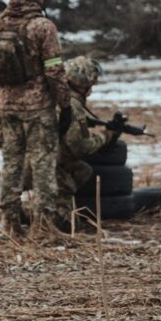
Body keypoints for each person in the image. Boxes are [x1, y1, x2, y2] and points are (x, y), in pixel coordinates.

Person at [0, 0, 71, 237]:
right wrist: (65, 104)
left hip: (5, 105)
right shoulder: (43, 27)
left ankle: (10, 223)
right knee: (43, 162)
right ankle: (42, 226)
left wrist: (0, 101)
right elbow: (54, 71)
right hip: (37, 108)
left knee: (11, 163)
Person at [55, 56, 117, 229]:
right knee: (68, 226)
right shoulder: (71, 105)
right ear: (82, 83)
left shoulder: (57, 96)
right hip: (50, 165)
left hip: (37, 160)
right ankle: (44, 211)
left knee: (83, 170)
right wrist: (104, 137)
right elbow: (80, 147)